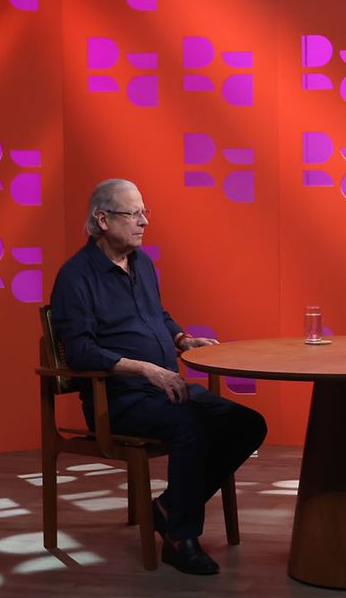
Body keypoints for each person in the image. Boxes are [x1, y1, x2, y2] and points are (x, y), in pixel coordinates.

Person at [49, 178, 267, 576]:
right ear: (102, 219)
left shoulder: (143, 264)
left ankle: (169, 507)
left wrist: (183, 339)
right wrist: (145, 368)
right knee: (192, 427)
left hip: (167, 390)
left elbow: (157, 316)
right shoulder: (75, 277)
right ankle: (180, 539)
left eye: (144, 212)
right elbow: (80, 350)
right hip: (117, 401)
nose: (144, 222)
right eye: (133, 213)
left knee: (248, 424)